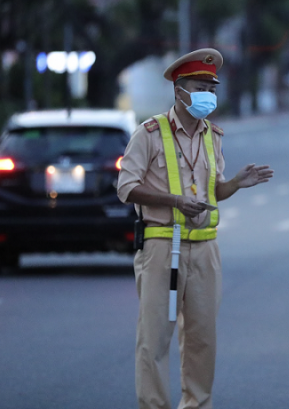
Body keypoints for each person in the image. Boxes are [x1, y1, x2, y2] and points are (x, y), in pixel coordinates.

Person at [117, 48, 274, 409]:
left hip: (205, 248)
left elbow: (213, 190)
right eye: (200, 86)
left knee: (202, 339)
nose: (208, 94)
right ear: (179, 91)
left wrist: (236, 182)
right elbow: (126, 187)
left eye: (212, 88)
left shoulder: (212, 135)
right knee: (154, 340)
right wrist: (174, 201)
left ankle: (197, 405)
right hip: (160, 245)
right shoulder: (149, 133)